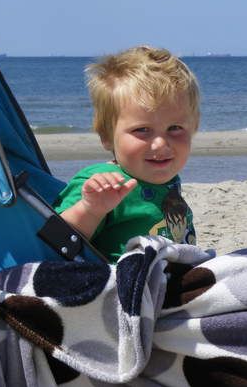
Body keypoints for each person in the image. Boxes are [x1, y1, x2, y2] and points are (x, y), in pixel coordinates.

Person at [54, 46, 200, 263]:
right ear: (106, 136)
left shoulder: (167, 180)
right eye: (142, 130)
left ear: (194, 127)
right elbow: (56, 240)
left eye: (175, 128)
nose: (160, 144)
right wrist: (90, 209)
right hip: (125, 280)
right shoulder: (102, 182)